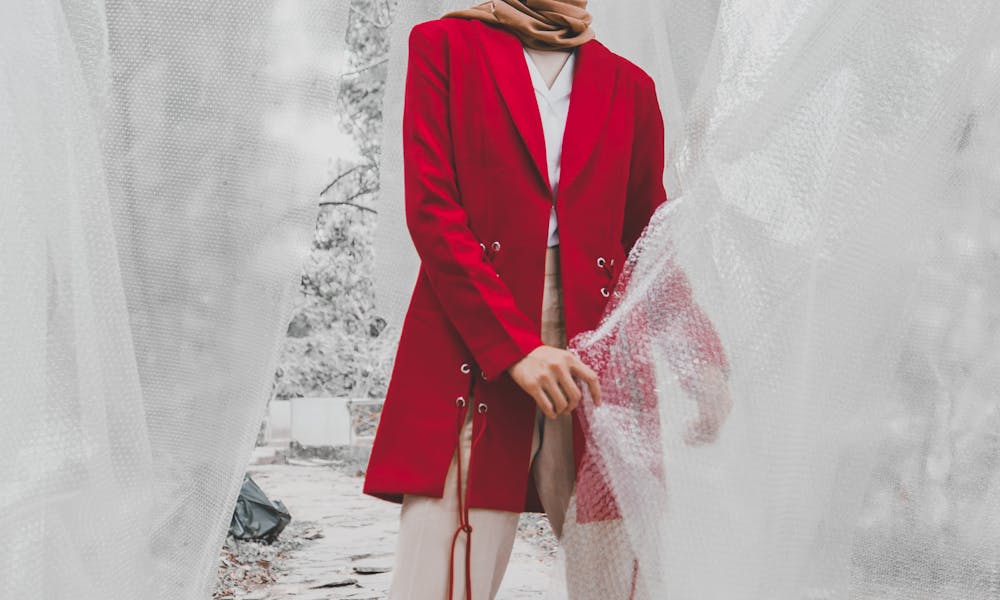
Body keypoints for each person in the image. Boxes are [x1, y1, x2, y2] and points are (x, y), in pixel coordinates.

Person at [363, 1, 729, 598]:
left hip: (603, 353)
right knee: (440, 582)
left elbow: (647, 240)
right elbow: (432, 210)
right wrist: (517, 348)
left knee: (623, 582)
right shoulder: (444, 48)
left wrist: (699, 359)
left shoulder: (630, 87)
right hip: (471, 334)